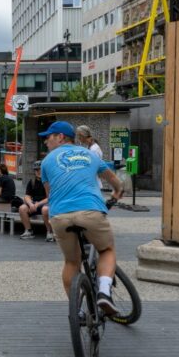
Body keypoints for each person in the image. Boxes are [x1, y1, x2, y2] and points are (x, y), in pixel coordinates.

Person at [40, 121, 123, 315]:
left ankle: (76, 311)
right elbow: (113, 180)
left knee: (71, 262)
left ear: (60, 137)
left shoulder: (46, 162)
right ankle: (104, 293)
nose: (45, 142)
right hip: (90, 211)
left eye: (48, 137)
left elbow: (50, 195)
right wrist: (118, 192)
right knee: (107, 250)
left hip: (60, 215)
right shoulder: (90, 155)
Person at [18, 161, 54, 241]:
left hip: (46, 203)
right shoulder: (32, 181)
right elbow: (27, 196)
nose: (38, 172)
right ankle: (28, 231)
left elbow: (50, 197)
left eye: (40, 170)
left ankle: (50, 232)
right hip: (34, 204)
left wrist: (38, 204)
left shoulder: (49, 182)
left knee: (45, 210)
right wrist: (30, 204)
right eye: (36, 170)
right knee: (22, 208)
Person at [76, 125, 104, 189]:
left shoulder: (94, 149)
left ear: (83, 135)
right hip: (91, 184)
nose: (78, 138)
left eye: (79, 135)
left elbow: (94, 167)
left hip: (93, 185)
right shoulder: (89, 147)